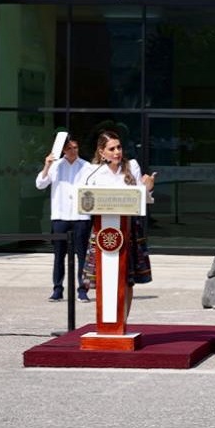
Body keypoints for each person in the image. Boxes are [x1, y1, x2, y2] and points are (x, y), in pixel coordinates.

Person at [80, 130, 155, 317]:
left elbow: (141, 199)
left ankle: (123, 321)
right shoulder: (93, 171)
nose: (116, 152)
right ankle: (106, 320)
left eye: (119, 147)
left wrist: (148, 187)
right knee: (104, 276)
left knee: (126, 278)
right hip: (102, 229)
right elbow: (82, 196)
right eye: (111, 148)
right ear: (101, 152)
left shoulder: (132, 166)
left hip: (128, 229)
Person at [35, 135, 91, 302]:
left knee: (83, 256)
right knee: (59, 255)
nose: (73, 151)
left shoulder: (86, 166)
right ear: (63, 150)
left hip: (81, 216)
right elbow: (40, 184)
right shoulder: (56, 166)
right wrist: (46, 165)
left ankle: (83, 290)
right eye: (69, 148)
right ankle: (57, 289)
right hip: (60, 215)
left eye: (75, 148)